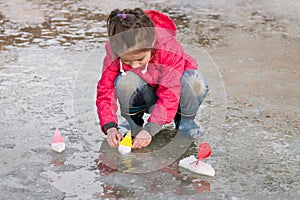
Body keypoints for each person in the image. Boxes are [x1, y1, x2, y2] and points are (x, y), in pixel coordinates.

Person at [96, 8, 209, 149]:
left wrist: (151, 129)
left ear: (152, 45)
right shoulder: (115, 50)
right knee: (125, 80)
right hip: (146, 95)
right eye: (127, 61)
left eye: (140, 59)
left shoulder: (168, 47)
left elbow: (170, 93)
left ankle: (186, 122)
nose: (134, 65)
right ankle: (133, 124)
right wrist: (110, 126)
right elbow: (105, 89)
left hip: (176, 96)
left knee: (194, 80)